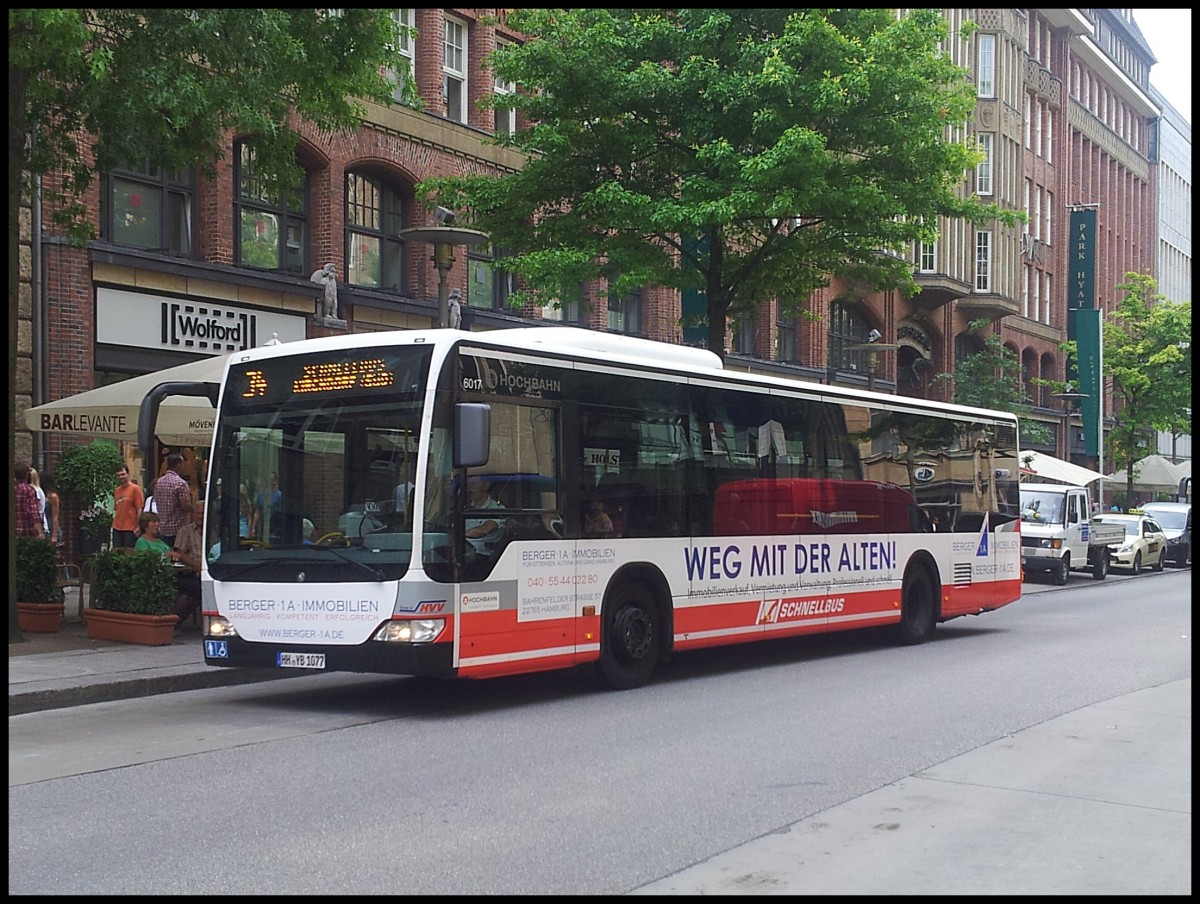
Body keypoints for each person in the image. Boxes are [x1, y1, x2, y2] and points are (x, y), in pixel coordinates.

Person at [170, 505, 205, 627]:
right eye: (198, 513)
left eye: (203, 513)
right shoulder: (185, 531)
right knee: (196, 590)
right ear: (194, 514)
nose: (201, 516)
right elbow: (179, 552)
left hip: (213, 571)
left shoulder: (215, 530)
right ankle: (173, 620)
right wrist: (198, 566)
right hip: (191, 572)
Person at [154, 453, 193, 548]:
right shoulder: (180, 483)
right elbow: (185, 506)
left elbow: (156, 500)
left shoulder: (159, 481)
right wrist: (194, 508)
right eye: (183, 464)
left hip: (163, 528)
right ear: (178, 464)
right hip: (178, 529)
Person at [112, 464, 145, 549]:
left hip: (130, 528)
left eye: (123, 474)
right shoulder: (117, 490)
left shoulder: (135, 489)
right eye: (118, 475)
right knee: (117, 552)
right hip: (117, 527)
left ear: (127, 474)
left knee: (129, 553)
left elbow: (139, 509)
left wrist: (138, 526)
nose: (121, 477)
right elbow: (116, 509)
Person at [464, 476, 503, 550]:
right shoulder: (465, 509)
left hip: (485, 556)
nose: (469, 489)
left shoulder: (498, 509)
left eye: (473, 484)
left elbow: (485, 529)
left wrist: (460, 534)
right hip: (464, 554)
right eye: (467, 485)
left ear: (486, 486)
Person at [14, 460, 45, 539]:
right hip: (26, 532)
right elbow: (34, 511)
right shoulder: (28, 490)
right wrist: (40, 532)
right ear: (27, 474)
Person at [42, 472, 63, 547]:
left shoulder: (53, 497)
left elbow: (55, 516)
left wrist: (54, 535)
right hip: (44, 527)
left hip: (51, 527)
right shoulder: (41, 496)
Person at [29, 467, 48, 538]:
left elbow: (34, 510)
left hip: (37, 525)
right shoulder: (39, 489)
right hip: (40, 523)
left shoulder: (34, 490)